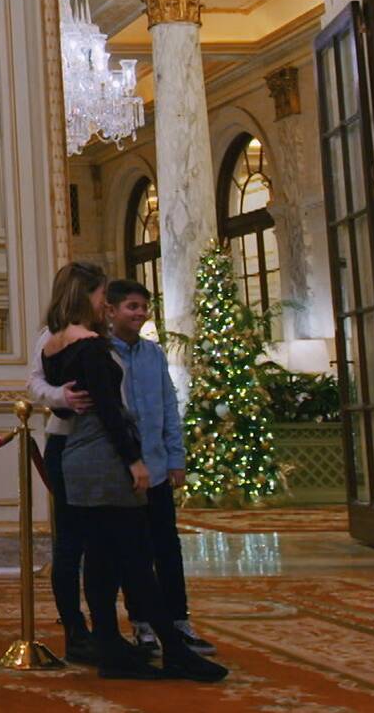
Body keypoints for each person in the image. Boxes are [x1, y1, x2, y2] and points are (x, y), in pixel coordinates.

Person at [42, 263, 228, 683]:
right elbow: (111, 412)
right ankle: (174, 650)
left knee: (104, 559)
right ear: (87, 296)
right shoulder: (90, 346)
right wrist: (134, 460)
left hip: (78, 457)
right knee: (137, 560)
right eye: (101, 295)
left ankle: (112, 649)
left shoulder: (54, 345)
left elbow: (62, 403)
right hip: (105, 459)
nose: (104, 304)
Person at [106, 279, 215, 656]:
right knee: (135, 552)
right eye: (131, 306)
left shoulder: (153, 354)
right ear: (112, 310)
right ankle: (142, 623)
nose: (138, 313)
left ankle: (178, 619)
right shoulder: (102, 352)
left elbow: (169, 407)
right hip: (123, 471)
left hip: (156, 465)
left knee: (167, 546)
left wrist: (176, 458)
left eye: (143, 307)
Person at [27, 310, 97, 663]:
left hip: (105, 443)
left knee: (106, 544)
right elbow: (36, 384)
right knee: (69, 543)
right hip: (67, 441)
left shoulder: (103, 335)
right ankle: (75, 627)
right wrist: (61, 397)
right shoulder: (52, 337)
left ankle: (110, 627)